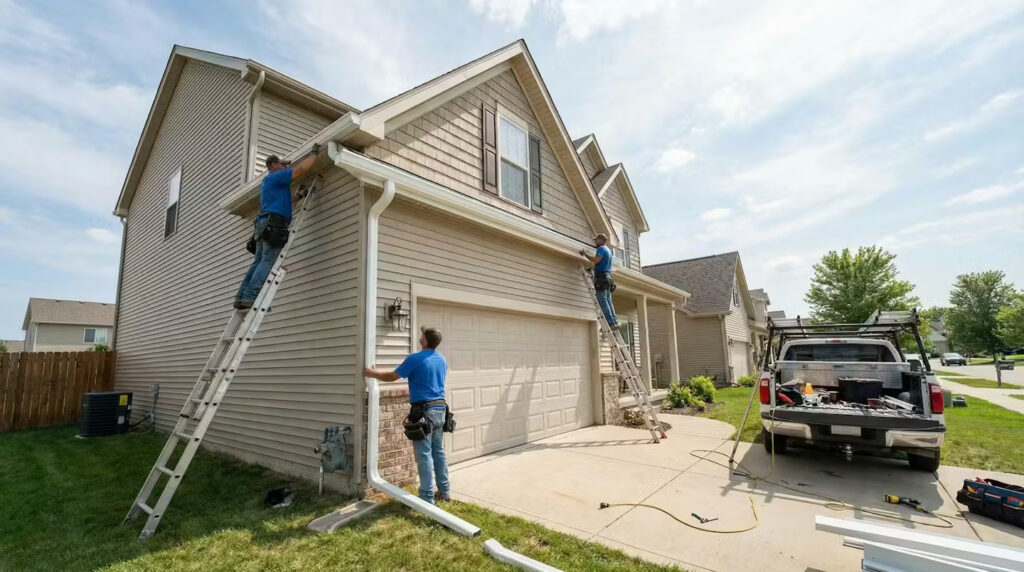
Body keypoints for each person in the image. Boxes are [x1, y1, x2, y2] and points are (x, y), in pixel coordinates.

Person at [363, 326, 450, 504]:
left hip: (423, 411)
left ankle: (426, 499)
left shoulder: (415, 359)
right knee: (438, 452)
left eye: (422, 336)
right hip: (441, 409)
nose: (420, 337)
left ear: (424, 340)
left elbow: (392, 376)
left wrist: (372, 373)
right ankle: (445, 492)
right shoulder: (442, 359)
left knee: (424, 454)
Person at [233, 145, 320, 309]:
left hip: (264, 223)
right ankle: (251, 296)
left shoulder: (269, 183)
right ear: (273, 165)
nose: (286, 166)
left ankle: (242, 296)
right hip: (273, 223)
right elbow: (298, 170)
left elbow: (281, 203)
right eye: (283, 164)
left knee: (258, 261)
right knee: (267, 260)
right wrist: (314, 154)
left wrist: (298, 197)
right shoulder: (276, 176)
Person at [580, 233, 617, 326]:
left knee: (602, 300)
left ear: (601, 240)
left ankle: (610, 323)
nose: (595, 241)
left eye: (596, 240)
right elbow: (601, 264)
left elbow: (596, 260)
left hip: (602, 278)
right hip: (607, 277)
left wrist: (585, 254)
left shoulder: (601, 249)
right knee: (608, 300)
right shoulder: (608, 251)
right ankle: (614, 321)